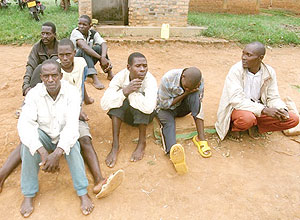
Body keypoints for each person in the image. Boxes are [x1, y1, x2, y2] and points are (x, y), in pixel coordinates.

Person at [0, 39, 124, 198]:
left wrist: (84, 102)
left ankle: (99, 179)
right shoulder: (49, 69)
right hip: (49, 114)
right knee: (27, 142)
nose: (65, 58)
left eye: (68, 55)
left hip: (71, 111)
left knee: (83, 139)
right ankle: (3, 175)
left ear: (74, 53)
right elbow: (33, 100)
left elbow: (80, 85)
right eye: (61, 55)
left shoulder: (80, 64)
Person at [18, 60, 93, 217]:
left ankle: (82, 191)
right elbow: (26, 125)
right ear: (41, 77)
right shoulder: (33, 94)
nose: (50, 80)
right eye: (46, 76)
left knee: (72, 146)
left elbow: (72, 127)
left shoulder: (72, 93)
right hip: (44, 134)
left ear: (61, 75)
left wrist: (58, 153)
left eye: (54, 75)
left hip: (63, 133)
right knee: (28, 145)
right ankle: (29, 193)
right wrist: (43, 153)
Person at [215, 41, 299, 141]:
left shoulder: (269, 72)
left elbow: (273, 97)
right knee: (247, 119)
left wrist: (281, 109)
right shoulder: (236, 70)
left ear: (260, 58)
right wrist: (264, 110)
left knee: (293, 119)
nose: (243, 57)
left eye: (248, 55)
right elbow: (236, 100)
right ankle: (235, 127)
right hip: (239, 109)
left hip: (259, 108)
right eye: (243, 53)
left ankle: (257, 127)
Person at [101, 52, 157, 168]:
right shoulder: (120, 77)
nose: (142, 69)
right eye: (138, 66)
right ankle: (115, 145)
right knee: (117, 103)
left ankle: (142, 142)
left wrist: (131, 93)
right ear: (128, 67)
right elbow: (104, 104)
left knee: (139, 101)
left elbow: (149, 108)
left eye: (145, 66)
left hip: (145, 116)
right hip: (127, 116)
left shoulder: (150, 80)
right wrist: (124, 91)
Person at [156, 67, 211, 175]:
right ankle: (173, 152)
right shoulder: (168, 79)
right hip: (165, 109)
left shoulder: (199, 80)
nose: (188, 89)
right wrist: (186, 93)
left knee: (195, 97)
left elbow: (198, 101)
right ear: (183, 77)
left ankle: (201, 138)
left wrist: (190, 93)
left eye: (192, 87)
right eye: (186, 86)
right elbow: (164, 104)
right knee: (169, 124)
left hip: (182, 107)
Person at [70, 14, 114, 90]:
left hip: (86, 60)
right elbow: (84, 46)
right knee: (84, 49)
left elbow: (103, 43)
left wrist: (103, 57)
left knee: (99, 48)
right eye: (79, 24)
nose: (81, 26)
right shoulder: (75, 32)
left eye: (84, 24)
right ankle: (94, 78)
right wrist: (100, 58)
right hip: (76, 61)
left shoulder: (93, 33)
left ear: (90, 26)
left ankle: (109, 72)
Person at [22, 22, 58, 96]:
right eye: (43, 33)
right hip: (41, 80)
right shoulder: (37, 47)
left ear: (55, 35)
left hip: (56, 80)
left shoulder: (61, 47)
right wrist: (26, 86)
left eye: (48, 34)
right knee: (40, 67)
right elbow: (30, 66)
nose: (44, 36)